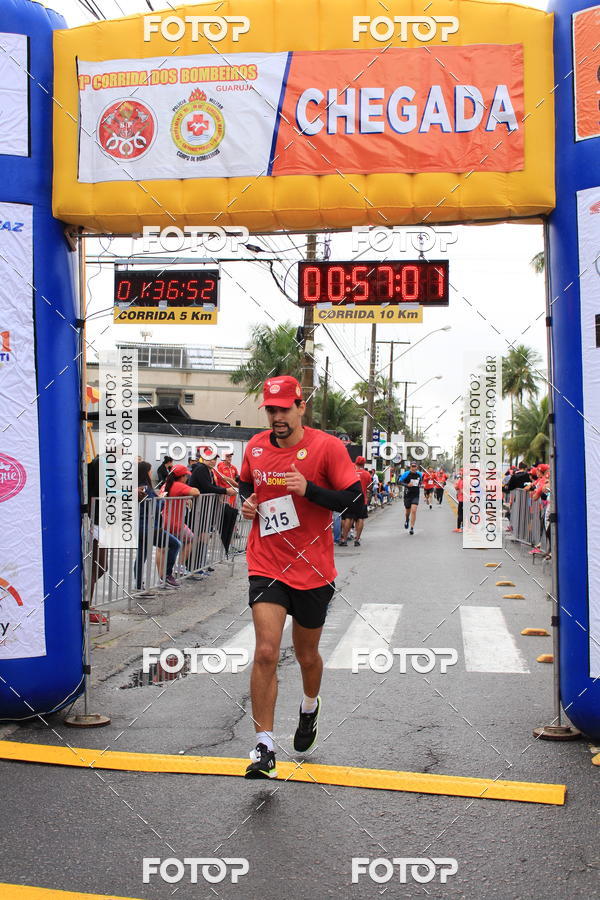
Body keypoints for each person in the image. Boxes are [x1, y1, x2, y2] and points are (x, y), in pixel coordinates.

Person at [238, 375, 363, 779]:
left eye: (283, 409)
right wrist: (248, 505)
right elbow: (246, 487)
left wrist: (310, 489)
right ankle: (263, 747)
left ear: (300, 407)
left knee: (307, 655)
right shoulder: (255, 447)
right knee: (266, 652)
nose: (276, 417)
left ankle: (309, 707)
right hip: (267, 563)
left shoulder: (327, 447)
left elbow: (355, 502)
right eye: (270, 410)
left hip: (313, 569)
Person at [136, 461, 181, 589]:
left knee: (141, 556)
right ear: (146, 472)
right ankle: (166, 576)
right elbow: (152, 508)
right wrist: (160, 500)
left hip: (142, 526)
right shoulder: (144, 487)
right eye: (150, 471)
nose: (151, 473)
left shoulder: (139, 487)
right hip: (149, 527)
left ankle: (138, 585)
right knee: (175, 544)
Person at [162, 464, 200, 579]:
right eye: (186, 476)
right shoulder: (178, 485)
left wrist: (186, 498)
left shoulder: (166, 485)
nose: (187, 478)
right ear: (182, 476)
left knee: (166, 547)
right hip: (175, 522)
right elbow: (196, 492)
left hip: (164, 520)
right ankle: (179, 567)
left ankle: (163, 575)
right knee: (190, 539)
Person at [339, 456, 372, 547]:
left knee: (348, 518)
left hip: (350, 499)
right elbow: (369, 487)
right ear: (364, 464)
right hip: (362, 500)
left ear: (355, 463)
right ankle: (357, 539)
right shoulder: (367, 474)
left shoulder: (350, 472)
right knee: (360, 519)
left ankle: (344, 539)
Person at [398, 461, 422, 535]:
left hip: (415, 495)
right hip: (407, 495)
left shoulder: (419, 474)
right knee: (407, 512)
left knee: (414, 511)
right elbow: (399, 481)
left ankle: (412, 528)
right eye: (412, 466)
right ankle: (407, 519)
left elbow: (420, 482)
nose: (413, 468)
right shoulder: (406, 474)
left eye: (415, 466)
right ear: (410, 467)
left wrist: (420, 485)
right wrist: (407, 484)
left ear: (416, 467)